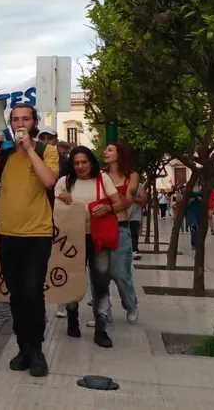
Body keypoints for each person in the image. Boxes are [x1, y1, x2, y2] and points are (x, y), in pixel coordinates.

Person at [0, 104, 59, 377]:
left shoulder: (46, 151)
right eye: (15, 119)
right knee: (17, 295)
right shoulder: (2, 154)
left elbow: (49, 182)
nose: (20, 124)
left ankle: (37, 349)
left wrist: (30, 148)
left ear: (34, 123)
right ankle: (23, 348)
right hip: (8, 234)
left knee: (32, 291)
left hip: (37, 235)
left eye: (25, 119)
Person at [56, 146, 126, 348]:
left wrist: (110, 208)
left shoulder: (103, 179)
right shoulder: (64, 182)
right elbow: (54, 206)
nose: (80, 166)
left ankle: (101, 328)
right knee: (72, 280)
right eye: (76, 162)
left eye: (84, 162)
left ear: (91, 162)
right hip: (72, 239)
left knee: (101, 283)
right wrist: (60, 198)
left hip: (98, 238)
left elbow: (122, 203)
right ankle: (72, 319)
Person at [103, 142, 139, 324]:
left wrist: (107, 207)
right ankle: (103, 312)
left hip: (121, 228)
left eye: (110, 150)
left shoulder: (131, 176)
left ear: (120, 153)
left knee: (120, 273)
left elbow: (128, 202)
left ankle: (131, 304)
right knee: (99, 274)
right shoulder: (99, 176)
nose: (105, 152)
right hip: (100, 228)